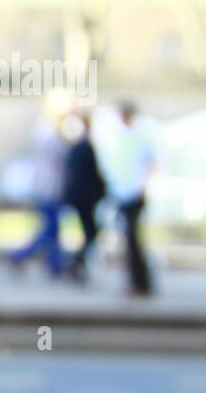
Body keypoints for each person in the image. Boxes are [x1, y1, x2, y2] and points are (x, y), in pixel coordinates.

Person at [102, 100, 157, 296]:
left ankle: (140, 281)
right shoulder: (120, 136)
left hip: (134, 193)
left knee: (133, 239)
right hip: (123, 192)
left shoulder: (141, 136)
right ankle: (136, 280)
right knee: (128, 239)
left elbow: (151, 161)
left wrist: (141, 186)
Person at [8, 107, 69, 277]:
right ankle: (20, 254)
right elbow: (61, 155)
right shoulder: (50, 135)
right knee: (50, 228)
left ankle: (55, 264)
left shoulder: (44, 133)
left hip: (46, 187)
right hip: (49, 189)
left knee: (53, 229)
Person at [62, 112, 107, 282]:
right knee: (91, 231)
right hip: (85, 197)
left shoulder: (77, 147)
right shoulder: (84, 148)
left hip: (81, 196)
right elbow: (91, 174)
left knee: (90, 231)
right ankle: (76, 262)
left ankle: (77, 262)